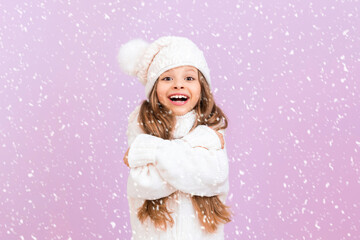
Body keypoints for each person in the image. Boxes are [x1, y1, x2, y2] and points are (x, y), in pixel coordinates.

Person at [118, 36, 231, 240]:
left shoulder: (211, 127)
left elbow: (213, 176)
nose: (178, 85)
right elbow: (144, 184)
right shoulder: (142, 125)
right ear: (154, 87)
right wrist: (194, 147)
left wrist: (152, 152)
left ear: (202, 86)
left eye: (189, 78)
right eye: (167, 78)